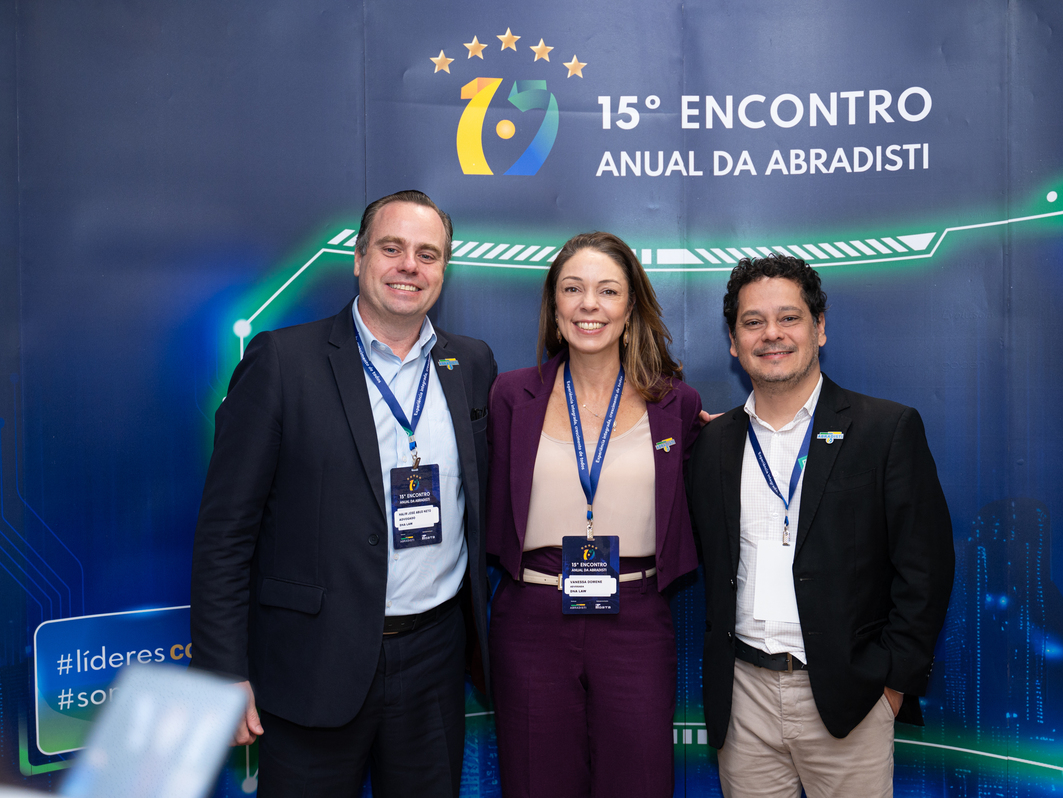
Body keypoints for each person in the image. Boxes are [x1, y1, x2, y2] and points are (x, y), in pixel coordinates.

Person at [190, 190, 496, 797]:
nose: (409, 266)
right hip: (313, 663)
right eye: (392, 248)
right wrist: (224, 669)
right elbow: (226, 532)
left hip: (435, 662)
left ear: (443, 269)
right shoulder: (283, 361)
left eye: (428, 254)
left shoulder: (470, 363)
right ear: (358, 259)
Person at [686, 254, 955, 798]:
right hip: (743, 698)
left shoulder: (885, 429)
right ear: (734, 341)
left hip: (850, 698)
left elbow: (925, 569)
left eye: (789, 318)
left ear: (819, 328)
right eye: (753, 322)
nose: (772, 334)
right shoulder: (712, 443)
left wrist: (891, 687)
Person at [486, 232, 702, 797]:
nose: (590, 304)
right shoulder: (509, 396)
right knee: (536, 782)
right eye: (573, 289)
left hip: (636, 618)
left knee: (640, 783)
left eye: (608, 291)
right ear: (554, 306)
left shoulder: (676, 403)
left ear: (630, 309)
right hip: (531, 618)